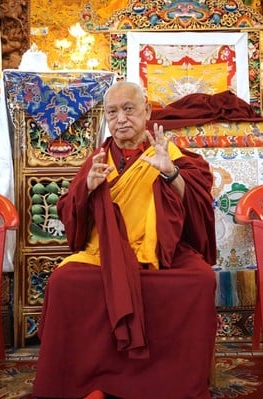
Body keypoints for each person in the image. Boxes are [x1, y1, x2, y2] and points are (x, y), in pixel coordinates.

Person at [33, 81, 217, 399]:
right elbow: (69, 214)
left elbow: (199, 209)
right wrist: (85, 189)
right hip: (103, 251)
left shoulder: (175, 157)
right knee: (64, 281)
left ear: (146, 111)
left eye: (129, 109)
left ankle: (175, 383)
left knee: (200, 280)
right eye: (112, 112)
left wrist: (171, 173)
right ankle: (88, 380)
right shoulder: (99, 160)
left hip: (162, 251)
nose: (121, 119)